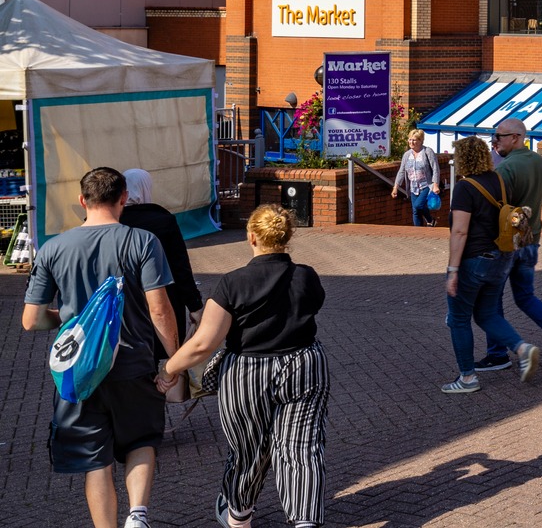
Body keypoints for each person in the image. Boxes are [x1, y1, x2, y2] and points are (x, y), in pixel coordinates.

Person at [22, 167, 179, 528]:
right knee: (141, 439)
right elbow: (160, 308)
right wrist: (174, 358)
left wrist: (68, 319)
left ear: (82, 200)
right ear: (123, 198)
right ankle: (137, 515)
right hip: (134, 363)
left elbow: (31, 321)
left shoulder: (53, 248)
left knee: (96, 460)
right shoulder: (143, 241)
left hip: (79, 371)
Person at [157, 204, 327, 528]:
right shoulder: (307, 276)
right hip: (305, 365)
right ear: (287, 237)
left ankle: (239, 516)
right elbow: (312, 306)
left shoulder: (233, 284)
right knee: (302, 446)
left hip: (248, 372)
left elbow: (204, 343)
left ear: (251, 237)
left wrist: (169, 369)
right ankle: (305, 521)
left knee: (249, 447)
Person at [441, 135, 539, 393]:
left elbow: (460, 232)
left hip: (474, 261)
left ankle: (468, 378)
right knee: (486, 313)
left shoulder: (464, 188)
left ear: (462, 159)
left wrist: (452, 271)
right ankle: (522, 348)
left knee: (458, 319)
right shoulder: (498, 180)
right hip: (501, 258)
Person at [483, 118, 542, 368]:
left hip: (506, 245)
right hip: (531, 240)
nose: (495, 140)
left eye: (499, 136)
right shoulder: (539, 161)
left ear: (515, 137)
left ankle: (497, 354)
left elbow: (497, 211)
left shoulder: (505, 170)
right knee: (525, 296)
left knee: (491, 300)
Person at [118, 168, 202, 343]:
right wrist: (194, 305)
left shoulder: (112, 221)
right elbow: (180, 266)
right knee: (164, 348)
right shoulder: (163, 220)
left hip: (125, 303)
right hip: (165, 297)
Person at [393, 128, 441, 226]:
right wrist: (395, 188)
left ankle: (430, 220)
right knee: (416, 212)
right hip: (413, 187)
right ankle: (418, 233)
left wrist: (435, 185)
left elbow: (436, 168)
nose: (411, 142)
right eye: (410, 139)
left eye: (414, 140)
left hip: (427, 185)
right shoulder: (407, 155)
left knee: (418, 205)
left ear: (420, 141)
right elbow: (401, 171)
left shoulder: (427, 152)